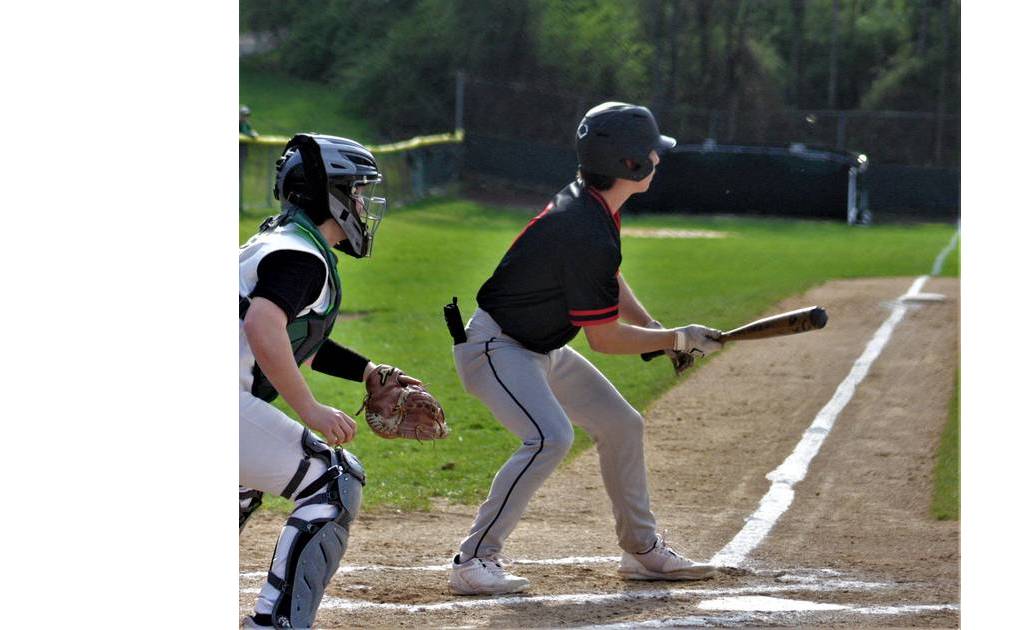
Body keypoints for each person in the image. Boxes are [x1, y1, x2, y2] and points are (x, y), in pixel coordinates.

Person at [446, 102, 725, 595]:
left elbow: (608, 280)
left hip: (539, 348)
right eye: (651, 154)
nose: (658, 160)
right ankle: (474, 559)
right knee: (549, 437)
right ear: (630, 166)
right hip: (496, 348)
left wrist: (655, 327)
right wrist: (677, 338)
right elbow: (603, 338)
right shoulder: (584, 227)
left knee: (622, 424)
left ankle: (642, 552)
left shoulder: (593, 209)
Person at [239, 133, 422, 628]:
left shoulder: (279, 242)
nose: (363, 205)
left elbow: (297, 340)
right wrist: (310, 410)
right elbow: (263, 326)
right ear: (333, 197)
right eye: (358, 193)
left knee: (245, 481)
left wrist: (366, 372)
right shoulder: (303, 255)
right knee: (333, 479)